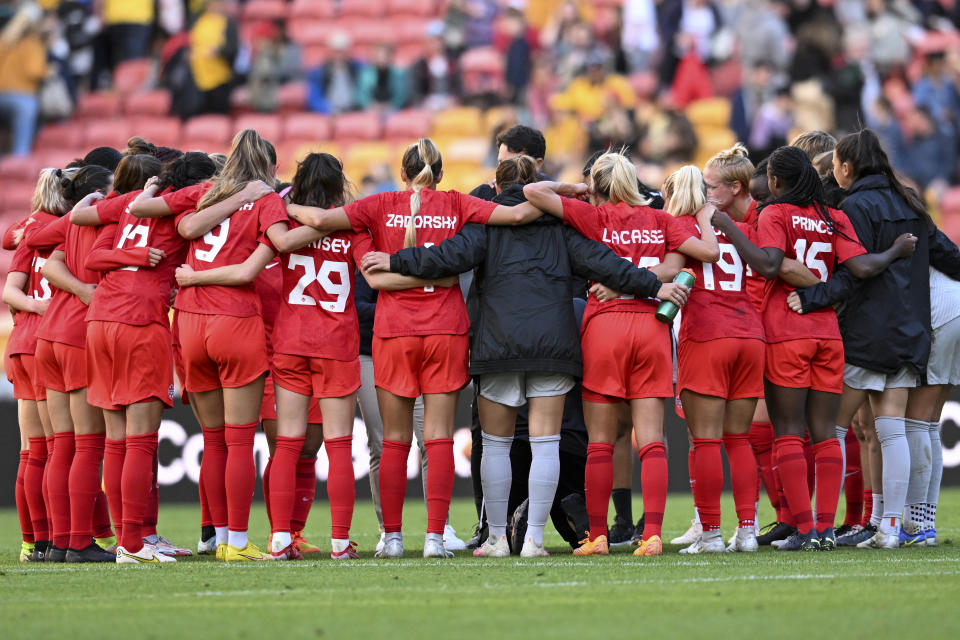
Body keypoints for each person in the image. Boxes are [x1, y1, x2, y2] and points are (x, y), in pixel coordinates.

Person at [364, 155, 685, 558]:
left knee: (496, 445)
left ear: (496, 190)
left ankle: (497, 537)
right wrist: (653, 285)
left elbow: (443, 258)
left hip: (497, 347)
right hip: (551, 348)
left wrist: (395, 259)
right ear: (539, 183)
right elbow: (610, 266)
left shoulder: (485, 227)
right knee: (545, 444)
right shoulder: (563, 228)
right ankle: (533, 539)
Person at [285, 138, 546, 558]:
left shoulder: (377, 204)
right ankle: (434, 539)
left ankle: (391, 538)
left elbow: (317, 218)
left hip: (393, 333)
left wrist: (280, 204)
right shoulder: (458, 203)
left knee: (393, 441)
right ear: (440, 175)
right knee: (439, 439)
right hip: (445, 331)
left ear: (402, 174)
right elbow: (519, 213)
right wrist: (565, 192)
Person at [712, 145, 917, 551]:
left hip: (786, 333)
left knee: (788, 433)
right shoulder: (833, 216)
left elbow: (769, 264)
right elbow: (861, 268)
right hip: (828, 335)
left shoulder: (774, 213)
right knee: (826, 433)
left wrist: (727, 226)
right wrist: (895, 250)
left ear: (773, 180)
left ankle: (805, 528)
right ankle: (825, 529)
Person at [524, 151, 717, 557]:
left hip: (605, 329)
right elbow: (685, 261)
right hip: (651, 327)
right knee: (652, 441)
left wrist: (576, 189)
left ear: (598, 185)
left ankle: (597, 537)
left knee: (600, 442)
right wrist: (640, 285)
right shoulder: (662, 219)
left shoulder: (594, 217)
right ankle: (652, 535)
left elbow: (533, 190)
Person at [789, 129, 960, 549]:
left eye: (835, 168)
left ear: (846, 167)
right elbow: (943, 251)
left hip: (870, 329)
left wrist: (813, 298)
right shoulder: (909, 201)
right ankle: (892, 527)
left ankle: (820, 528)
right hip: (911, 327)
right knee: (897, 429)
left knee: (830, 426)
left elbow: (854, 272)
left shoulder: (853, 207)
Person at [172, 130, 287, 562]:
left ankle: (216, 534)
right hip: (234, 320)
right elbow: (249, 270)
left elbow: (184, 227)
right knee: (240, 442)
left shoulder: (207, 193)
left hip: (188, 321)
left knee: (213, 440)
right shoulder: (267, 201)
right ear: (270, 168)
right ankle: (235, 542)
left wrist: (193, 277)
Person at [29, 161, 135, 563]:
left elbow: (38, 247)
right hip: (78, 335)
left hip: (49, 335)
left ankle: (58, 542)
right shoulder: (107, 223)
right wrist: (87, 292)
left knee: (61, 447)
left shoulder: (72, 223)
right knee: (87, 446)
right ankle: (77, 542)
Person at [661, 166, 765, 553]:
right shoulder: (737, 226)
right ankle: (749, 531)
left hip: (707, 334)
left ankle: (709, 535)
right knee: (739, 439)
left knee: (705, 441)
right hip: (750, 333)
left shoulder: (679, 225)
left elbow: (669, 271)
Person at [2, 168, 71, 561]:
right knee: (59, 449)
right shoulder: (67, 230)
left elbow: (11, 288)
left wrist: (29, 306)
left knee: (32, 452)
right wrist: (43, 307)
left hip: (21, 342)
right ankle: (61, 539)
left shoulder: (30, 233)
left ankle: (33, 542)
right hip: (49, 341)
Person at [0, 3, 47, 156]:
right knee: (21, 145)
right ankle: (19, 159)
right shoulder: (32, 43)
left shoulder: (3, 40)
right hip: (22, 97)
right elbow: (35, 72)